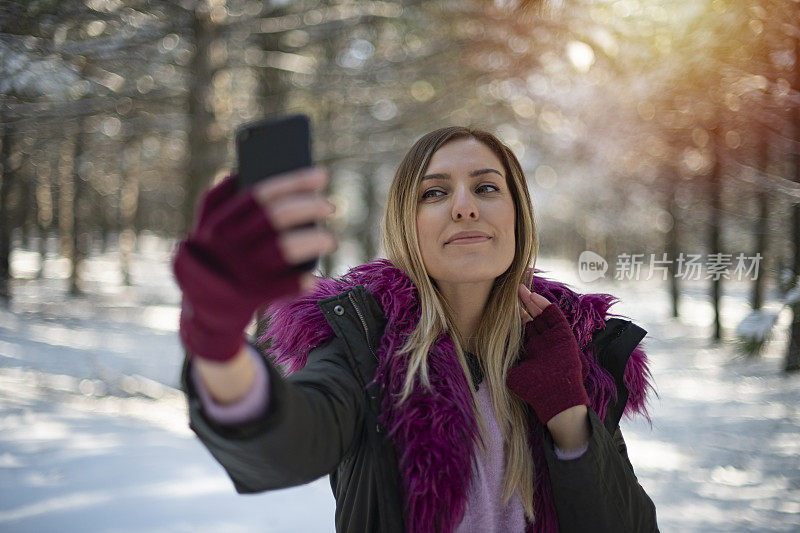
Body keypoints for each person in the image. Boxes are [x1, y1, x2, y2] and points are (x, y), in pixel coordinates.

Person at [172, 126, 660, 532]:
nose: (465, 207)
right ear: (408, 222)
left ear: (518, 214)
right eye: (435, 192)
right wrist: (217, 342)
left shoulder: (574, 347)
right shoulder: (365, 341)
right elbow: (288, 444)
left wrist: (569, 414)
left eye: (487, 187)